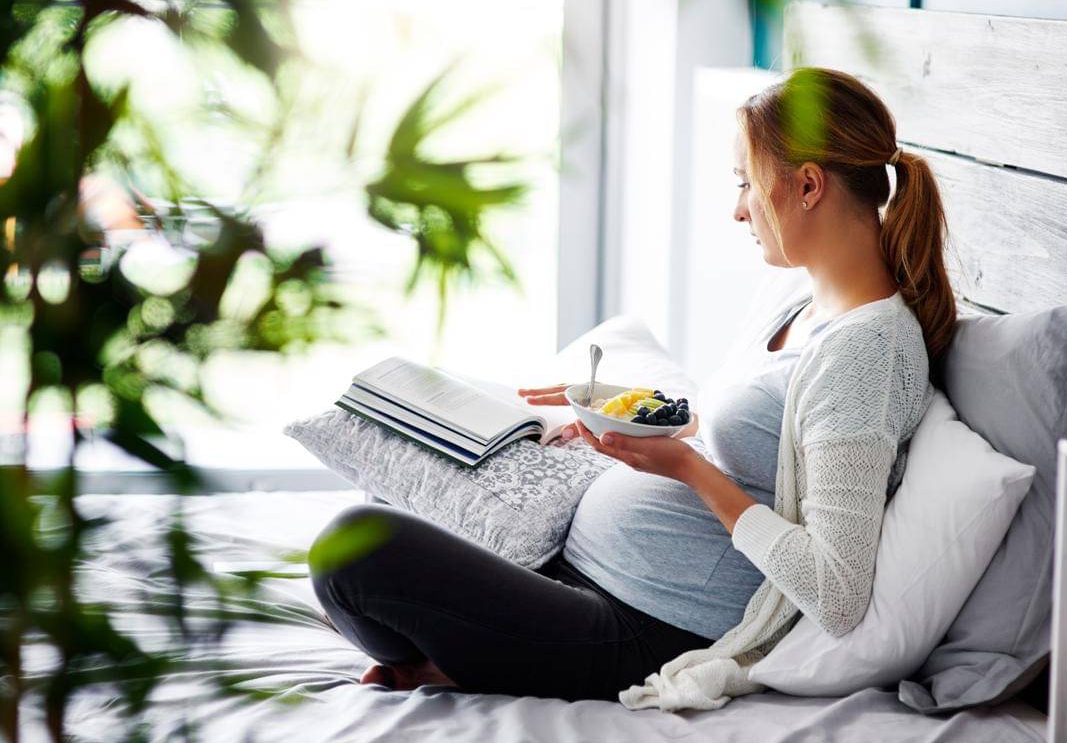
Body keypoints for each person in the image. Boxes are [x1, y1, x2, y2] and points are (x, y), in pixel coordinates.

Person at [308, 67, 955, 708]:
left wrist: (691, 473)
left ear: (809, 185)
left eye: (745, 183)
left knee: (352, 550)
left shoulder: (867, 353)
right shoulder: (804, 297)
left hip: (641, 625)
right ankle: (460, 649)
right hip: (578, 561)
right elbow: (759, 428)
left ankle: (452, 663)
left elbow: (836, 593)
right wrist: (623, 408)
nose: (737, 209)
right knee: (390, 480)